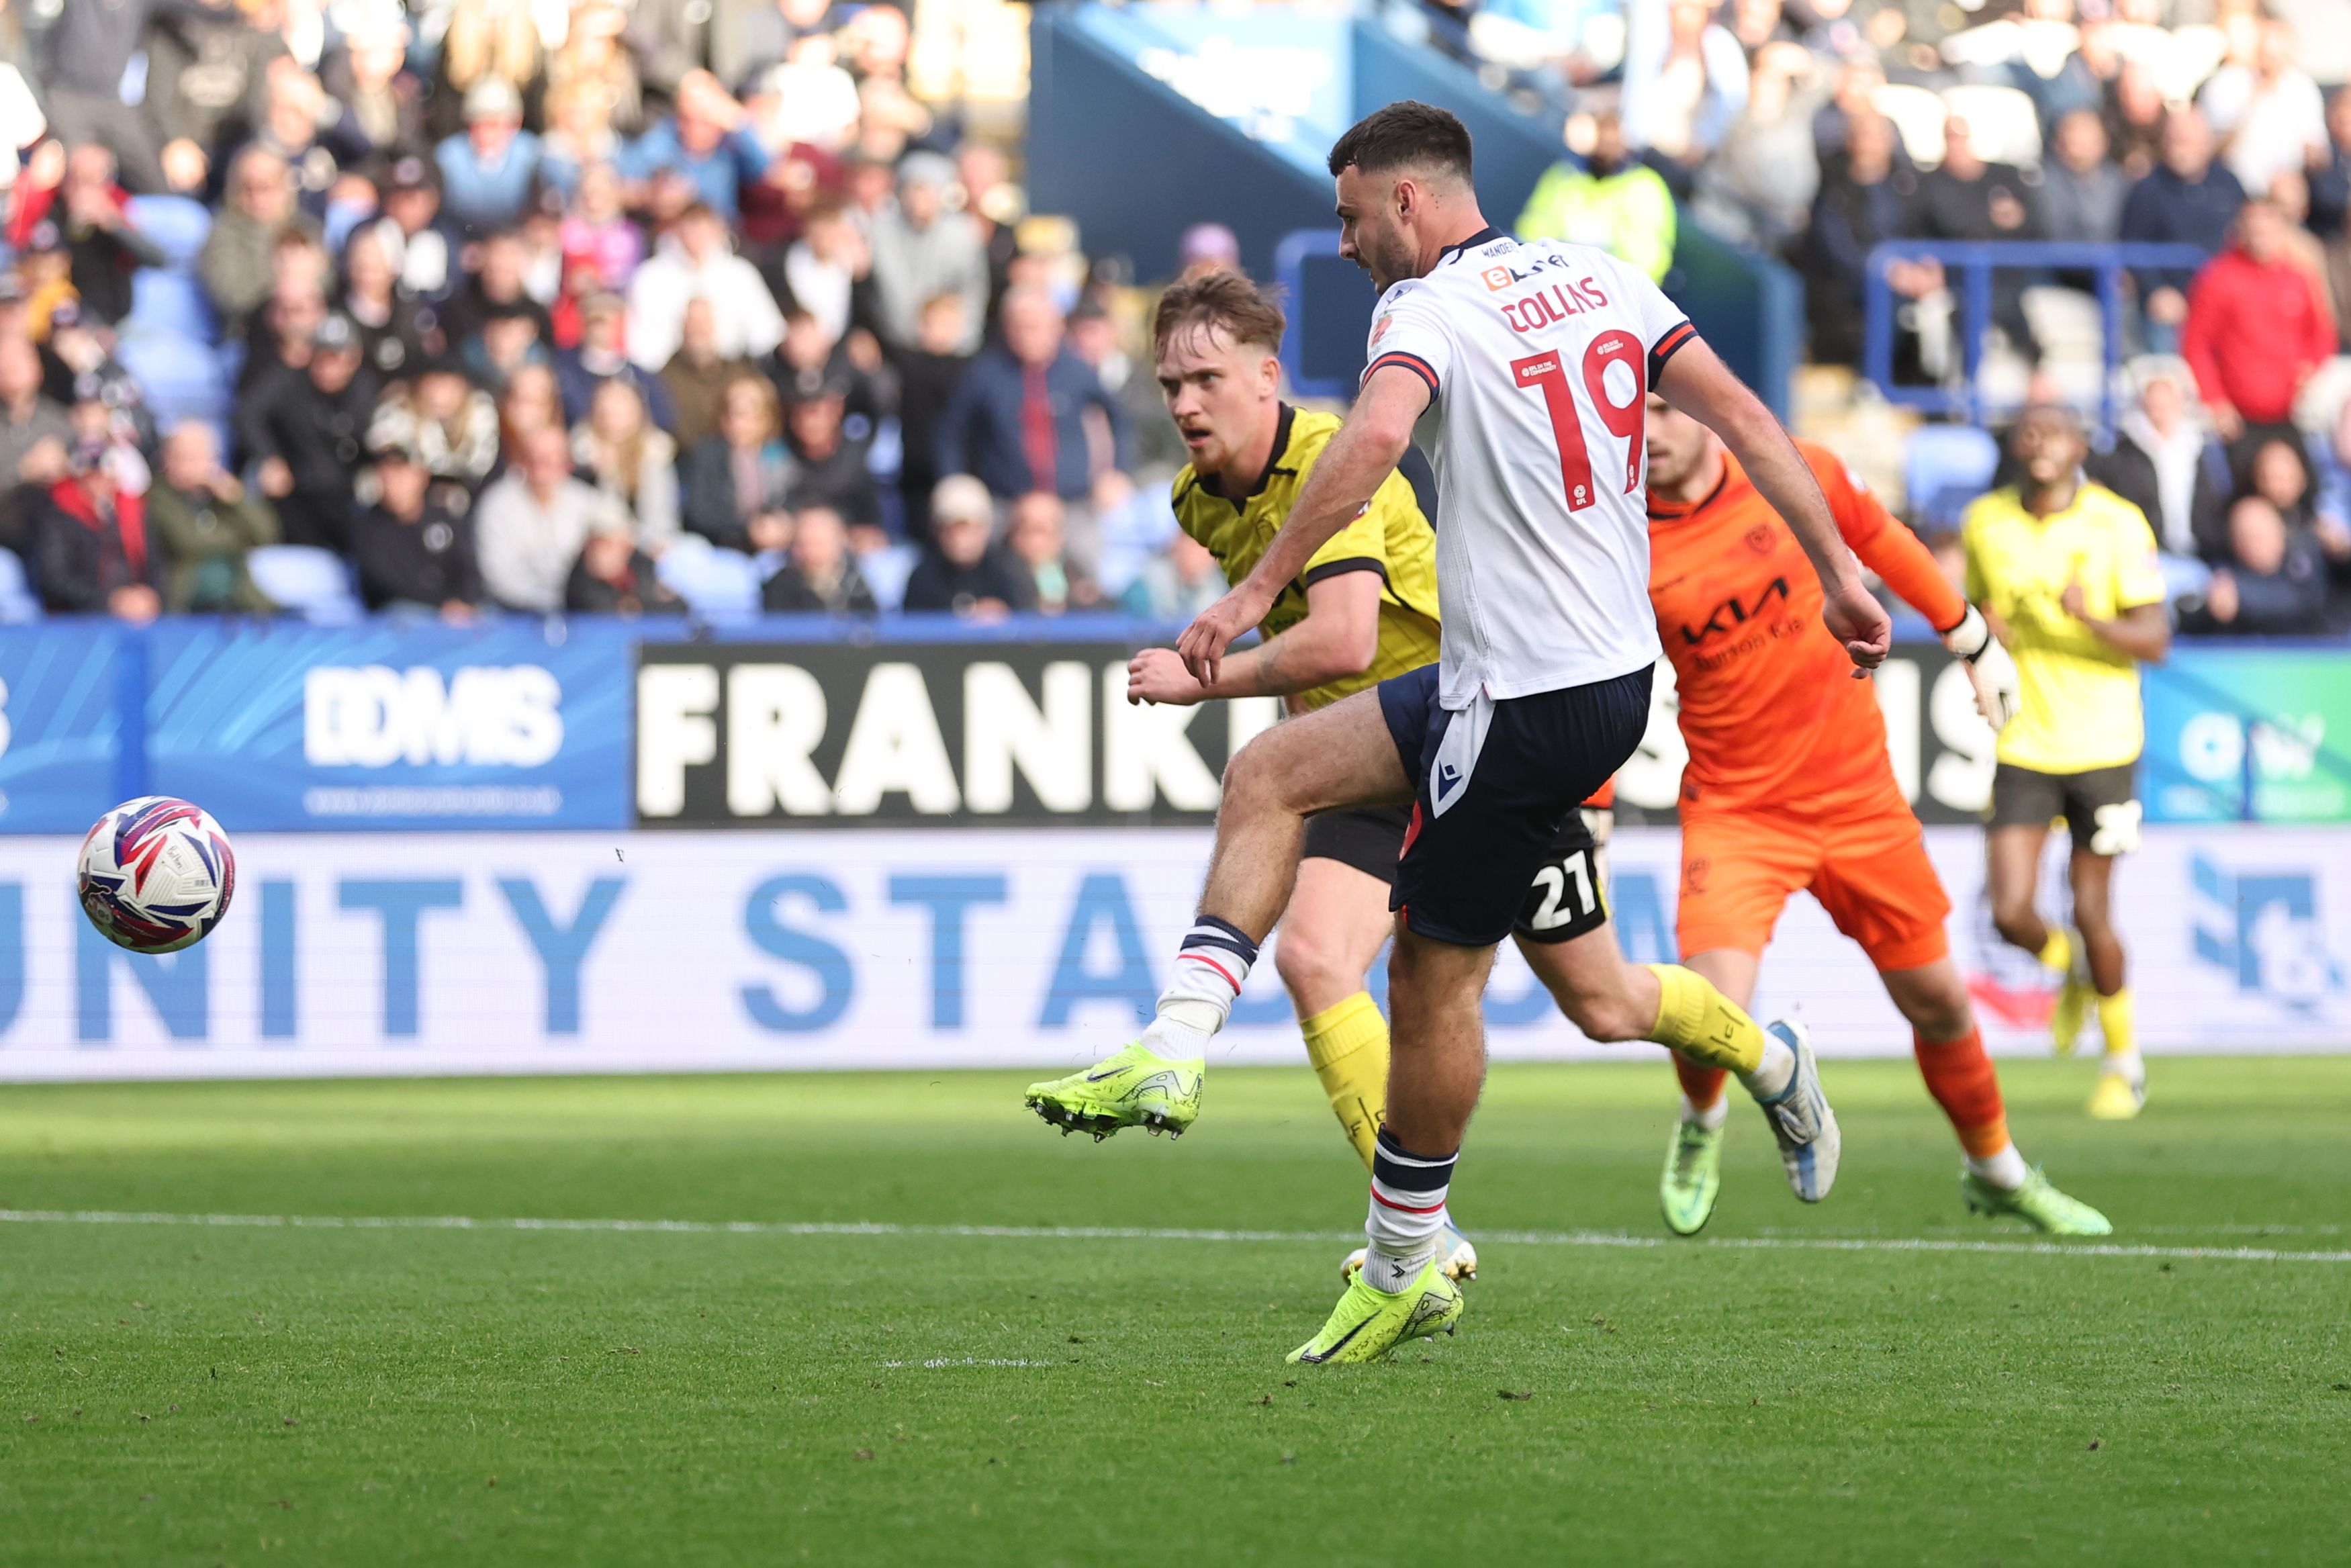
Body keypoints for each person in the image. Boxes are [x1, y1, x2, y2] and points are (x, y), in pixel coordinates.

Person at [1033, 103, 1888, 1365]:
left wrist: (1250, 591)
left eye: (1347, 217)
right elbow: (1754, 420)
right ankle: (1765, 1058)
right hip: (1571, 683)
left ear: (1406, 202)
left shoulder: (1420, 310)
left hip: (1519, 703)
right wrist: (1839, 573)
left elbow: (1378, 437)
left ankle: (1402, 1263)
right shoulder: (1603, 277)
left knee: (1426, 986)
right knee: (1323, 806)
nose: (1343, 245)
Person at [1639, 394, 2105, 1236]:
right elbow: (1606, 681)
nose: (1650, 433)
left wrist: (1970, 638)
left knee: (1941, 1005)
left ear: (1707, 410)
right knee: (1708, 1010)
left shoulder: (1797, 471)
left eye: (1667, 409)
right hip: (1737, 809)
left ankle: (1996, 1169)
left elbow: (1883, 537)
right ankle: (1701, 1125)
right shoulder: (1617, 541)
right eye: (1632, 417)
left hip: (1859, 801)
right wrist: (1591, 810)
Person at [1962, 405, 2170, 1121]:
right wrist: (1981, 642)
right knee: (2012, 911)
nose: (2038, 440)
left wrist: (2092, 620)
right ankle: (2070, 972)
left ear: (2081, 446)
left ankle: (2123, 1066)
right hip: (2025, 741)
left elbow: (2156, 638)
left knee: (2091, 909)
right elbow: (1975, 613)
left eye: (2054, 430)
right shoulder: (1986, 521)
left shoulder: (2118, 522)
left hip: (2107, 746)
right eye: (2027, 429)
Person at [2181, 197, 2337, 445]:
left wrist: (2311, 366)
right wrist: (2215, 400)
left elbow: (2321, 334)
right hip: (2239, 418)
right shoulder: (2219, 278)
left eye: (2268, 230)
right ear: (2241, 230)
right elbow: (2196, 344)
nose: (2261, 238)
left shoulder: (2297, 278)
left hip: (2292, 414)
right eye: (2254, 230)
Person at [238, 314, 379, 550]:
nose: (327, 368)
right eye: (321, 357)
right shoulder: (288, 381)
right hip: (297, 490)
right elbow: (247, 414)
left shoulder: (366, 390)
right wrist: (269, 457)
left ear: (354, 359)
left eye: (336, 358)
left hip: (347, 492)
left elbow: (375, 442)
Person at [2120, 108, 2246, 353]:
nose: (2180, 148)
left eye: (2188, 141)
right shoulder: (2147, 190)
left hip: (2226, 300)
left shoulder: (2229, 184)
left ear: (2207, 144)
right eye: (2174, 139)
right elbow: (2134, 246)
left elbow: (2245, 234)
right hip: (2174, 303)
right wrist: (2155, 290)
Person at [476, 424, 627, 611]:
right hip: (512, 613)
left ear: (567, 464)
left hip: (575, 610)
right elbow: (499, 579)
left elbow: (622, 529)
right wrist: (556, 602)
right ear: (521, 461)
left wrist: (612, 549)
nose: (542, 468)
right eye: (534, 459)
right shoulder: (497, 504)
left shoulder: (583, 500)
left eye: (551, 460)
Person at [1514, 111, 1677, 283]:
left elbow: (1649, 259)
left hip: (1613, 291)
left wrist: (1597, 272)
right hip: (1554, 281)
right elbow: (1532, 230)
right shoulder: (1563, 175)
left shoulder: (1644, 185)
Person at [625, 204, 786, 371]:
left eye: (703, 230)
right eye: (691, 230)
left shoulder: (740, 274)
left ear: (718, 231)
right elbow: (638, 338)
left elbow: (767, 332)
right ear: (677, 231)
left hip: (731, 372)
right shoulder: (650, 277)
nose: (697, 238)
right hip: (668, 374)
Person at [146, 423, 279, 614]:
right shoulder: (158, 496)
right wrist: (240, 539)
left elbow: (266, 534)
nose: (196, 465)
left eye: (203, 457)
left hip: (241, 603)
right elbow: (188, 542)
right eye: (186, 457)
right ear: (168, 459)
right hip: (187, 607)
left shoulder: (223, 497)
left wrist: (235, 498)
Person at [866, 152, 990, 354]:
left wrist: (960, 336)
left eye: (928, 191)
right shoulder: (879, 231)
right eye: (914, 190)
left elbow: (973, 292)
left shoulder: (963, 235)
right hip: (893, 345)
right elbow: (870, 294)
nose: (920, 199)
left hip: (950, 349)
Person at [349, 441, 482, 618]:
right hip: (403, 613)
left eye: (401, 474)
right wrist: (441, 605)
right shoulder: (369, 526)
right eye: (387, 476)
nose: (394, 484)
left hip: (455, 611)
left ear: (422, 476)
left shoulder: (445, 518)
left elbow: (468, 569)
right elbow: (386, 583)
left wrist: (465, 602)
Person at [34, 447, 159, 621]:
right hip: (80, 616)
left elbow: (155, 563)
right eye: (92, 476)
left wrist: (151, 596)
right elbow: (54, 578)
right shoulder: (58, 513)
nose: (100, 482)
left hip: (136, 612)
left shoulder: (132, 511)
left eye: (106, 475)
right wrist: (110, 601)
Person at [680, 374, 794, 552]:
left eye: (750, 413)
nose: (739, 421)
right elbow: (699, 512)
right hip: (724, 547)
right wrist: (749, 528)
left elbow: (794, 497)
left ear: (767, 417)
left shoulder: (781, 454)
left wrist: (781, 524)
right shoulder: (706, 453)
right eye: (733, 412)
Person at [2187, 495, 2329, 635]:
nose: (2251, 544)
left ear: (2280, 531)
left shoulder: (2303, 559)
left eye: (2257, 535)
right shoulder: (2221, 573)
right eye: (2242, 536)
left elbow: (2303, 601)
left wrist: (2240, 594)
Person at [572, 379, 681, 547]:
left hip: (648, 544)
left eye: (619, 415)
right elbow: (591, 519)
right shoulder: (580, 458)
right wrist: (604, 475)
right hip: (599, 546)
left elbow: (663, 518)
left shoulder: (654, 453)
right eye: (606, 414)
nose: (612, 423)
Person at [901, 475, 1031, 615]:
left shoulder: (1008, 572)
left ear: (986, 528)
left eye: (968, 528)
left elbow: (1028, 622)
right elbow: (915, 628)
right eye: (951, 528)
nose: (960, 538)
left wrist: (1003, 617)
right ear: (936, 529)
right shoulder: (923, 577)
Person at [435, 77, 543, 238]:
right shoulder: (448, 156)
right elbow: (442, 216)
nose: (484, 132)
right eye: (477, 124)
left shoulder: (532, 154)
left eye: (493, 124)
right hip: (462, 241)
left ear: (516, 123)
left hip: (516, 243)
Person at [660, 297, 758, 451]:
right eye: (692, 322)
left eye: (704, 321)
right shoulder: (665, 377)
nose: (698, 328)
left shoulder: (738, 373)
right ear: (682, 327)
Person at [761, 503, 878, 612]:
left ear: (840, 541)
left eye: (819, 543)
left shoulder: (856, 585)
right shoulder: (779, 588)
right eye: (803, 544)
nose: (811, 553)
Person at [565, 522, 686, 614]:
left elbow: (677, 606)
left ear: (626, 547)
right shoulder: (581, 579)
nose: (600, 553)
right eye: (596, 545)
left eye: (609, 545)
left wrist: (639, 606)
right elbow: (597, 610)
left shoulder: (644, 568)